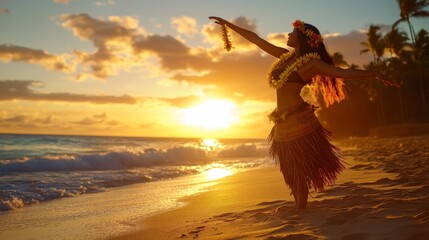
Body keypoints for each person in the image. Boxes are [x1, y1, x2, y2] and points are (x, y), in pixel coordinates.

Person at [209, 16, 399, 210]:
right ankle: (300, 204)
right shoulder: (284, 57)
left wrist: (375, 74)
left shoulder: (311, 64)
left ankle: (301, 209)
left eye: (293, 32)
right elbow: (256, 39)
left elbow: (343, 72)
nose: (289, 34)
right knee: (289, 169)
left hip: (299, 121)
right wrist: (228, 24)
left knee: (299, 168)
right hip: (281, 122)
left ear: (302, 38)